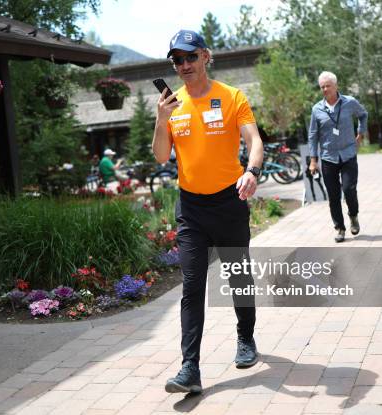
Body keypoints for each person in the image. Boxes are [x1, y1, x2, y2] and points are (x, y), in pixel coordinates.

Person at [152, 29, 264, 394]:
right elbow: (159, 156)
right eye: (177, 60)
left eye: (189, 57)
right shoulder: (173, 105)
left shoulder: (232, 97)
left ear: (205, 56)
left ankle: (245, 338)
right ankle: (190, 368)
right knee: (192, 284)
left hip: (229, 202)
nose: (183, 65)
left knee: (237, 275)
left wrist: (252, 171)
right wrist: (159, 118)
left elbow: (255, 141)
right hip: (192, 208)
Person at [308, 71, 368, 243]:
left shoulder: (349, 102)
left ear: (336, 86)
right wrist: (313, 160)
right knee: (333, 195)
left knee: (349, 189)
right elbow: (313, 135)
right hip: (328, 157)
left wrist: (360, 133)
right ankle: (340, 228)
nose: (325, 89)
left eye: (328, 86)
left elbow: (363, 115)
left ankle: (353, 216)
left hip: (348, 154)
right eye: (322, 87)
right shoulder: (317, 109)